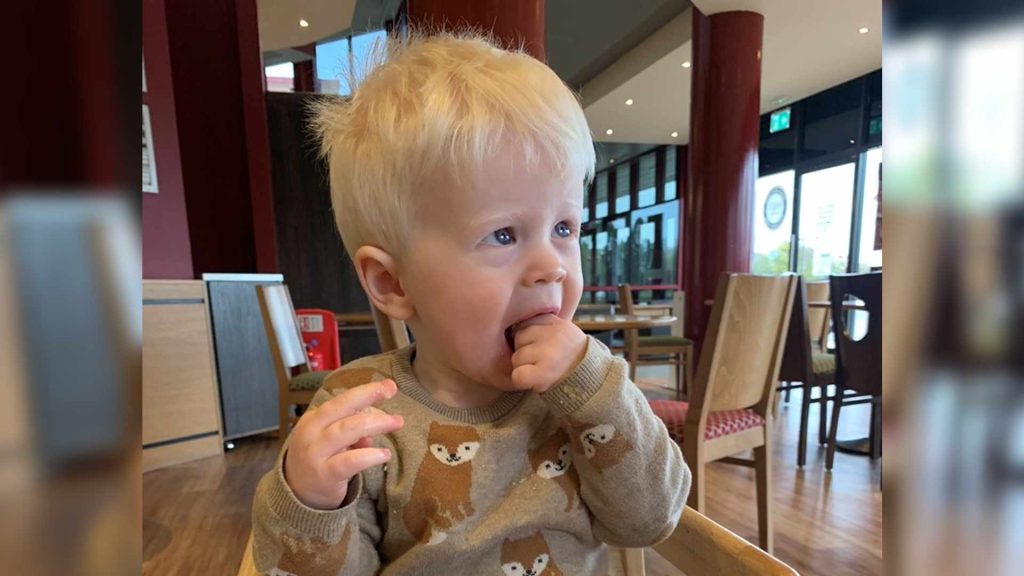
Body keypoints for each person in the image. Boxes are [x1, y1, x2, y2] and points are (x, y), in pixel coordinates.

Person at [251, 31, 691, 575]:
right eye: (503, 235)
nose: (552, 265)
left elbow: (650, 522)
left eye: (563, 227)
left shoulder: (585, 394)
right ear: (393, 283)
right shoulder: (363, 415)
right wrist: (310, 503)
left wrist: (598, 397)